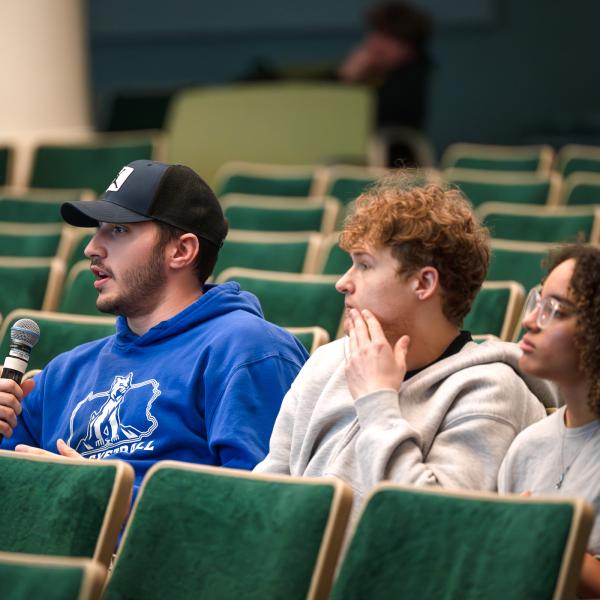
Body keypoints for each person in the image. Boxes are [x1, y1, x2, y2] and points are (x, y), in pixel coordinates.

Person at [0, 160, 308, 494]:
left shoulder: (249, 350)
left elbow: (251, 509)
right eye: (97, 229)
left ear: (182, 250)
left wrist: (96, 493)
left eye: (119, 230)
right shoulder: (63, 373)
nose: (91, 248)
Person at [255, 173, 557, 512]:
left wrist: (377, 402)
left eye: (365, 265)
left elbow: (429, 521)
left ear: (424, 282)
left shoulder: (491, 392)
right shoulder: (327, 363)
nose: (342, 283)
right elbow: (268, 493)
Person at [498, 244, 600, 598]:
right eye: (538, 302)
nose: (529, 321)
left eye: (555, 311)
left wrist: (549, 534)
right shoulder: (527, 446)